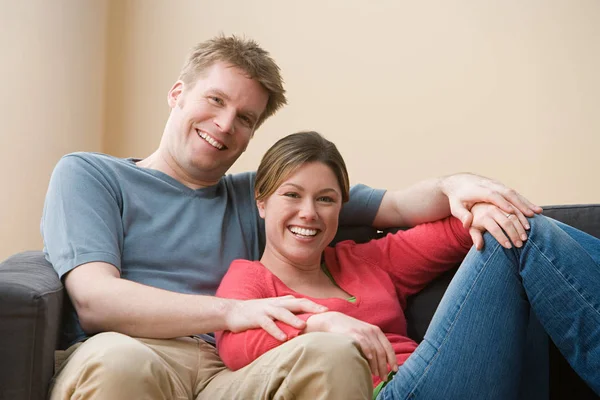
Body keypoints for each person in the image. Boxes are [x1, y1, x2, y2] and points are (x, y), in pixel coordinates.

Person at [41, 35, 541, 400]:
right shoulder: (92, 175)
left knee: (333, 353)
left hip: (227, 372)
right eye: (215, 100)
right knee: (120, 362)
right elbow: (95, 299)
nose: (224, 125)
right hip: (132, 351)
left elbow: (400, 207)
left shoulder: (266, 191)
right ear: (178, 94)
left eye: (245, 119)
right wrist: (231, 312)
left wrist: (458, 187)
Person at [215, 131, 600, 399]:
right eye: (292, 195)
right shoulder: (249, 278)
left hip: (433, 381)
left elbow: (453, 231)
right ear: (262, 202)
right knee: (520, 233)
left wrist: (481, 206)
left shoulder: (363, 258)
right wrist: (319, 322)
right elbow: (235, 346)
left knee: (510, 226)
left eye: (326, 199)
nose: (308, 213)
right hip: (388, 393)